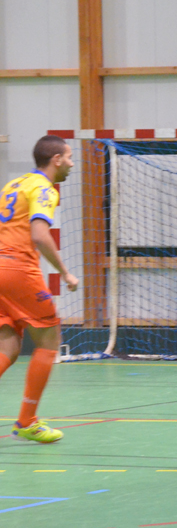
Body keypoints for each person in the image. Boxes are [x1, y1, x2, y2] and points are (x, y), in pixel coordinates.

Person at [0, 135, 78, 442]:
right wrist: (65, 273)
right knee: (49, 338)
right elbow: (39, 235)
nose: (72, 163)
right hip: (17, 269)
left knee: (8, 347)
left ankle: (27, 421)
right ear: (56, 159)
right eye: (69, 157)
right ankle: (27, 421)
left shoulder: (14, 184)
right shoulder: (44, 188)